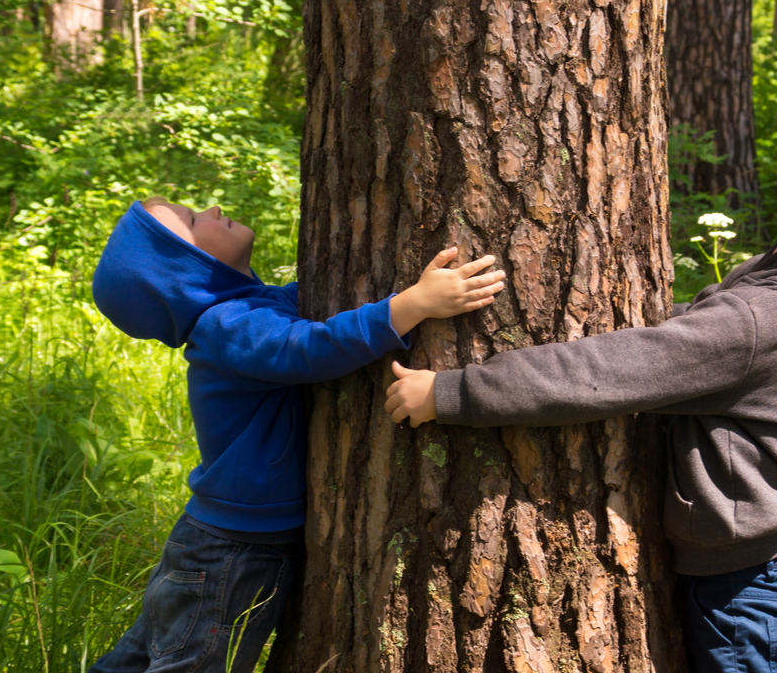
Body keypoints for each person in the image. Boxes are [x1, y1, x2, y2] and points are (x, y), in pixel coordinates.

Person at [383, 154, 777, 673]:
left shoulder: (762, 321)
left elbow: (606, 371)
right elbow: (677, 341)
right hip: (759, 577)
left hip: (752, 592)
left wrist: (453, 393)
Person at [89, 197, 506, 672]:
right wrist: (412, 305)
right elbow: (310, 347)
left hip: (219, 540)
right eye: (190, 220)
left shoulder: (246, 309)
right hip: (234, 548)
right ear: (185, 271)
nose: (211, 207)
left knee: (142, 657)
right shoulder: (229, 328)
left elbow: (316, 320)